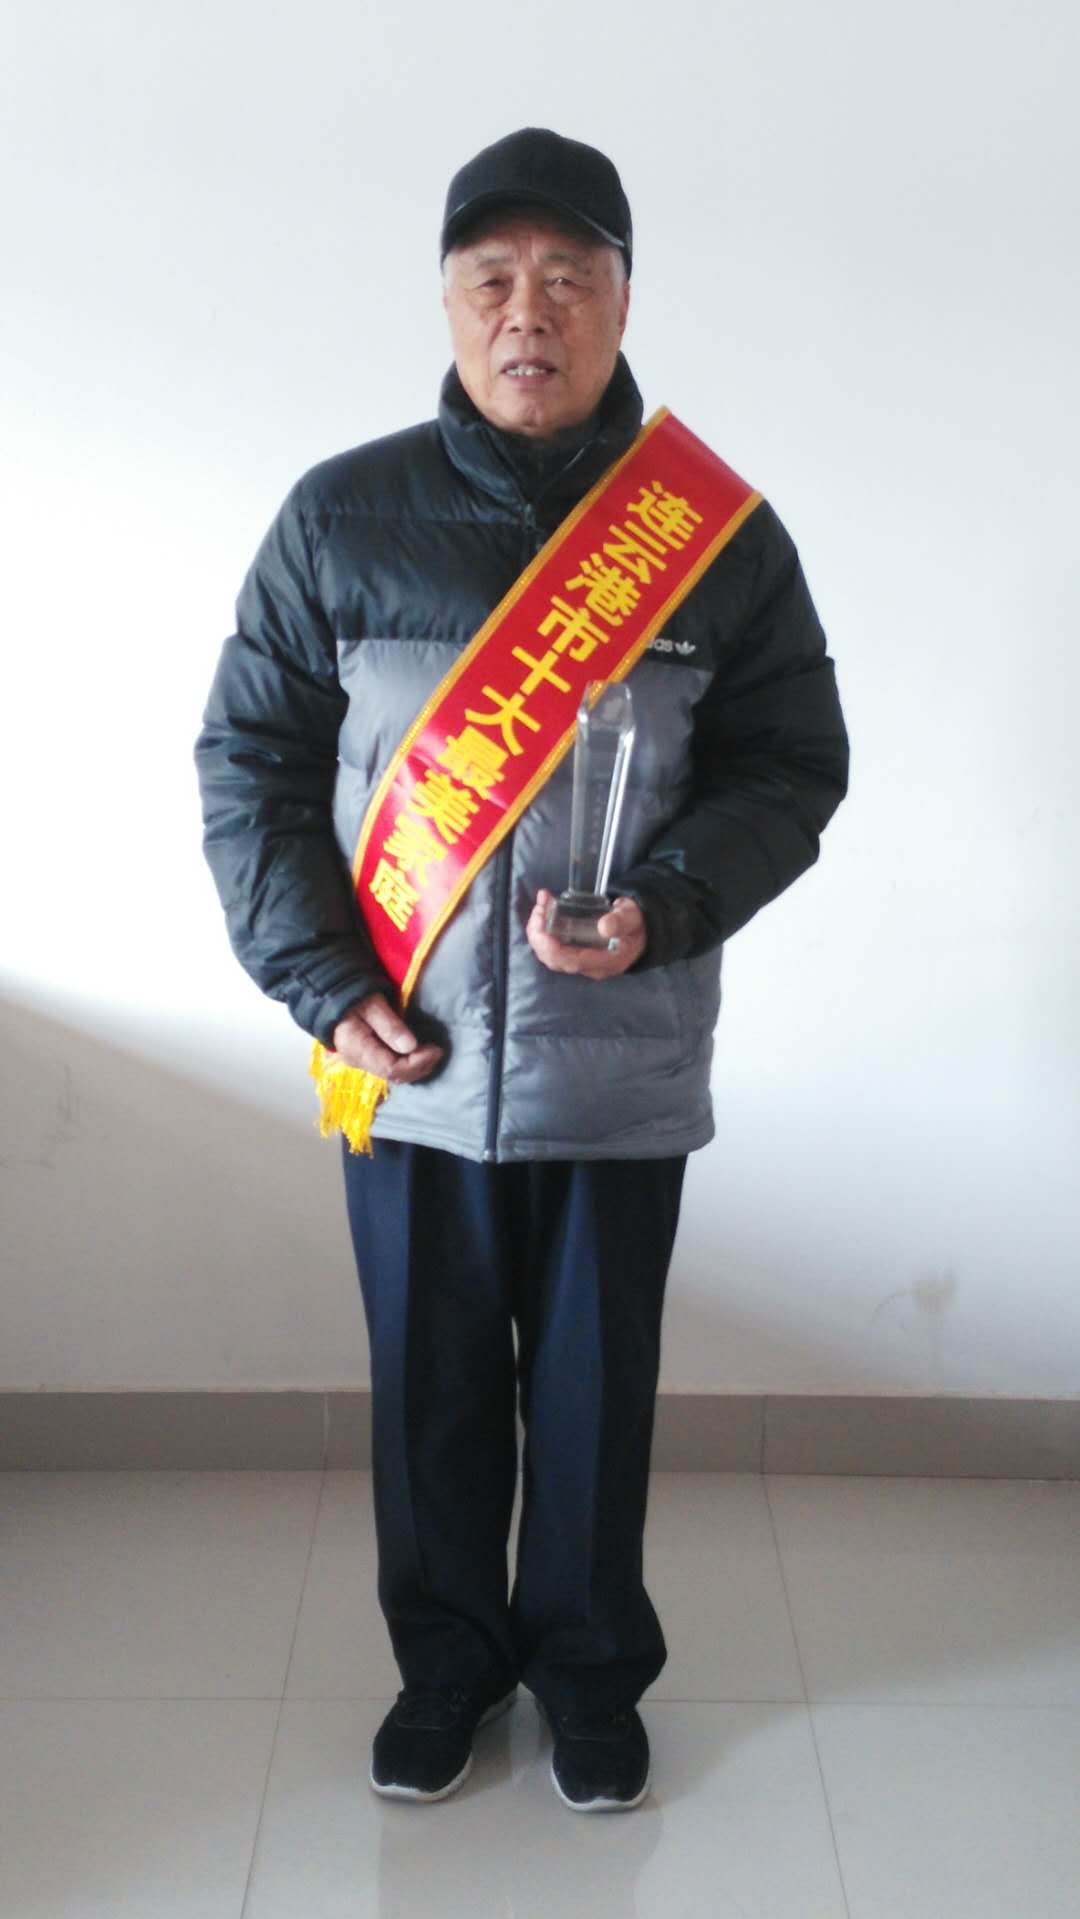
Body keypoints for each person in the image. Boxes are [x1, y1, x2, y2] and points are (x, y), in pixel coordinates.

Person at [195, 126, 849, 1813]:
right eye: (492, 278)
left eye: (568, 277)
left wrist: (670, 905)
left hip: (617, 1054)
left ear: (625, 299)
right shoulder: (339, 515)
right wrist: (322, 979)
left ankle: (588, 1673)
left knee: (593, 1394)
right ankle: (446, 1671)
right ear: (447, 300)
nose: (528, 313)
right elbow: (252, 765)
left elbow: (793, 763)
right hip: (403, 1055)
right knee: (428, 1397)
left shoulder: (714, 536)